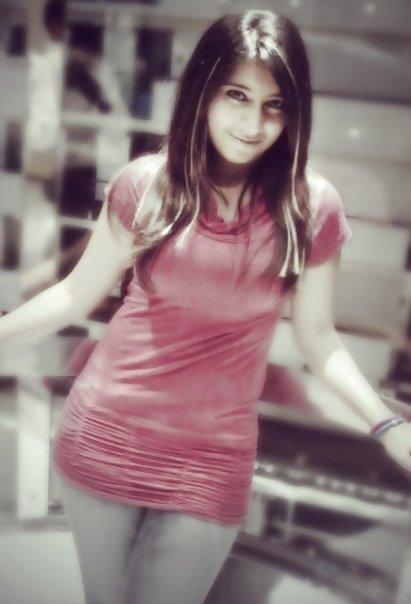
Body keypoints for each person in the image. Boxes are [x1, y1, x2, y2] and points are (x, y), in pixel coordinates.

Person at [1, 9, 410, 604]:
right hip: (105, 434)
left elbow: (319, 339)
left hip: (211, 458)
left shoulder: (310, 208)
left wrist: (387, 424)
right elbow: (74, 295)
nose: (253, 123)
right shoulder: (146, 185)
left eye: (274, 105)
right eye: (236, 96)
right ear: (203, 91)